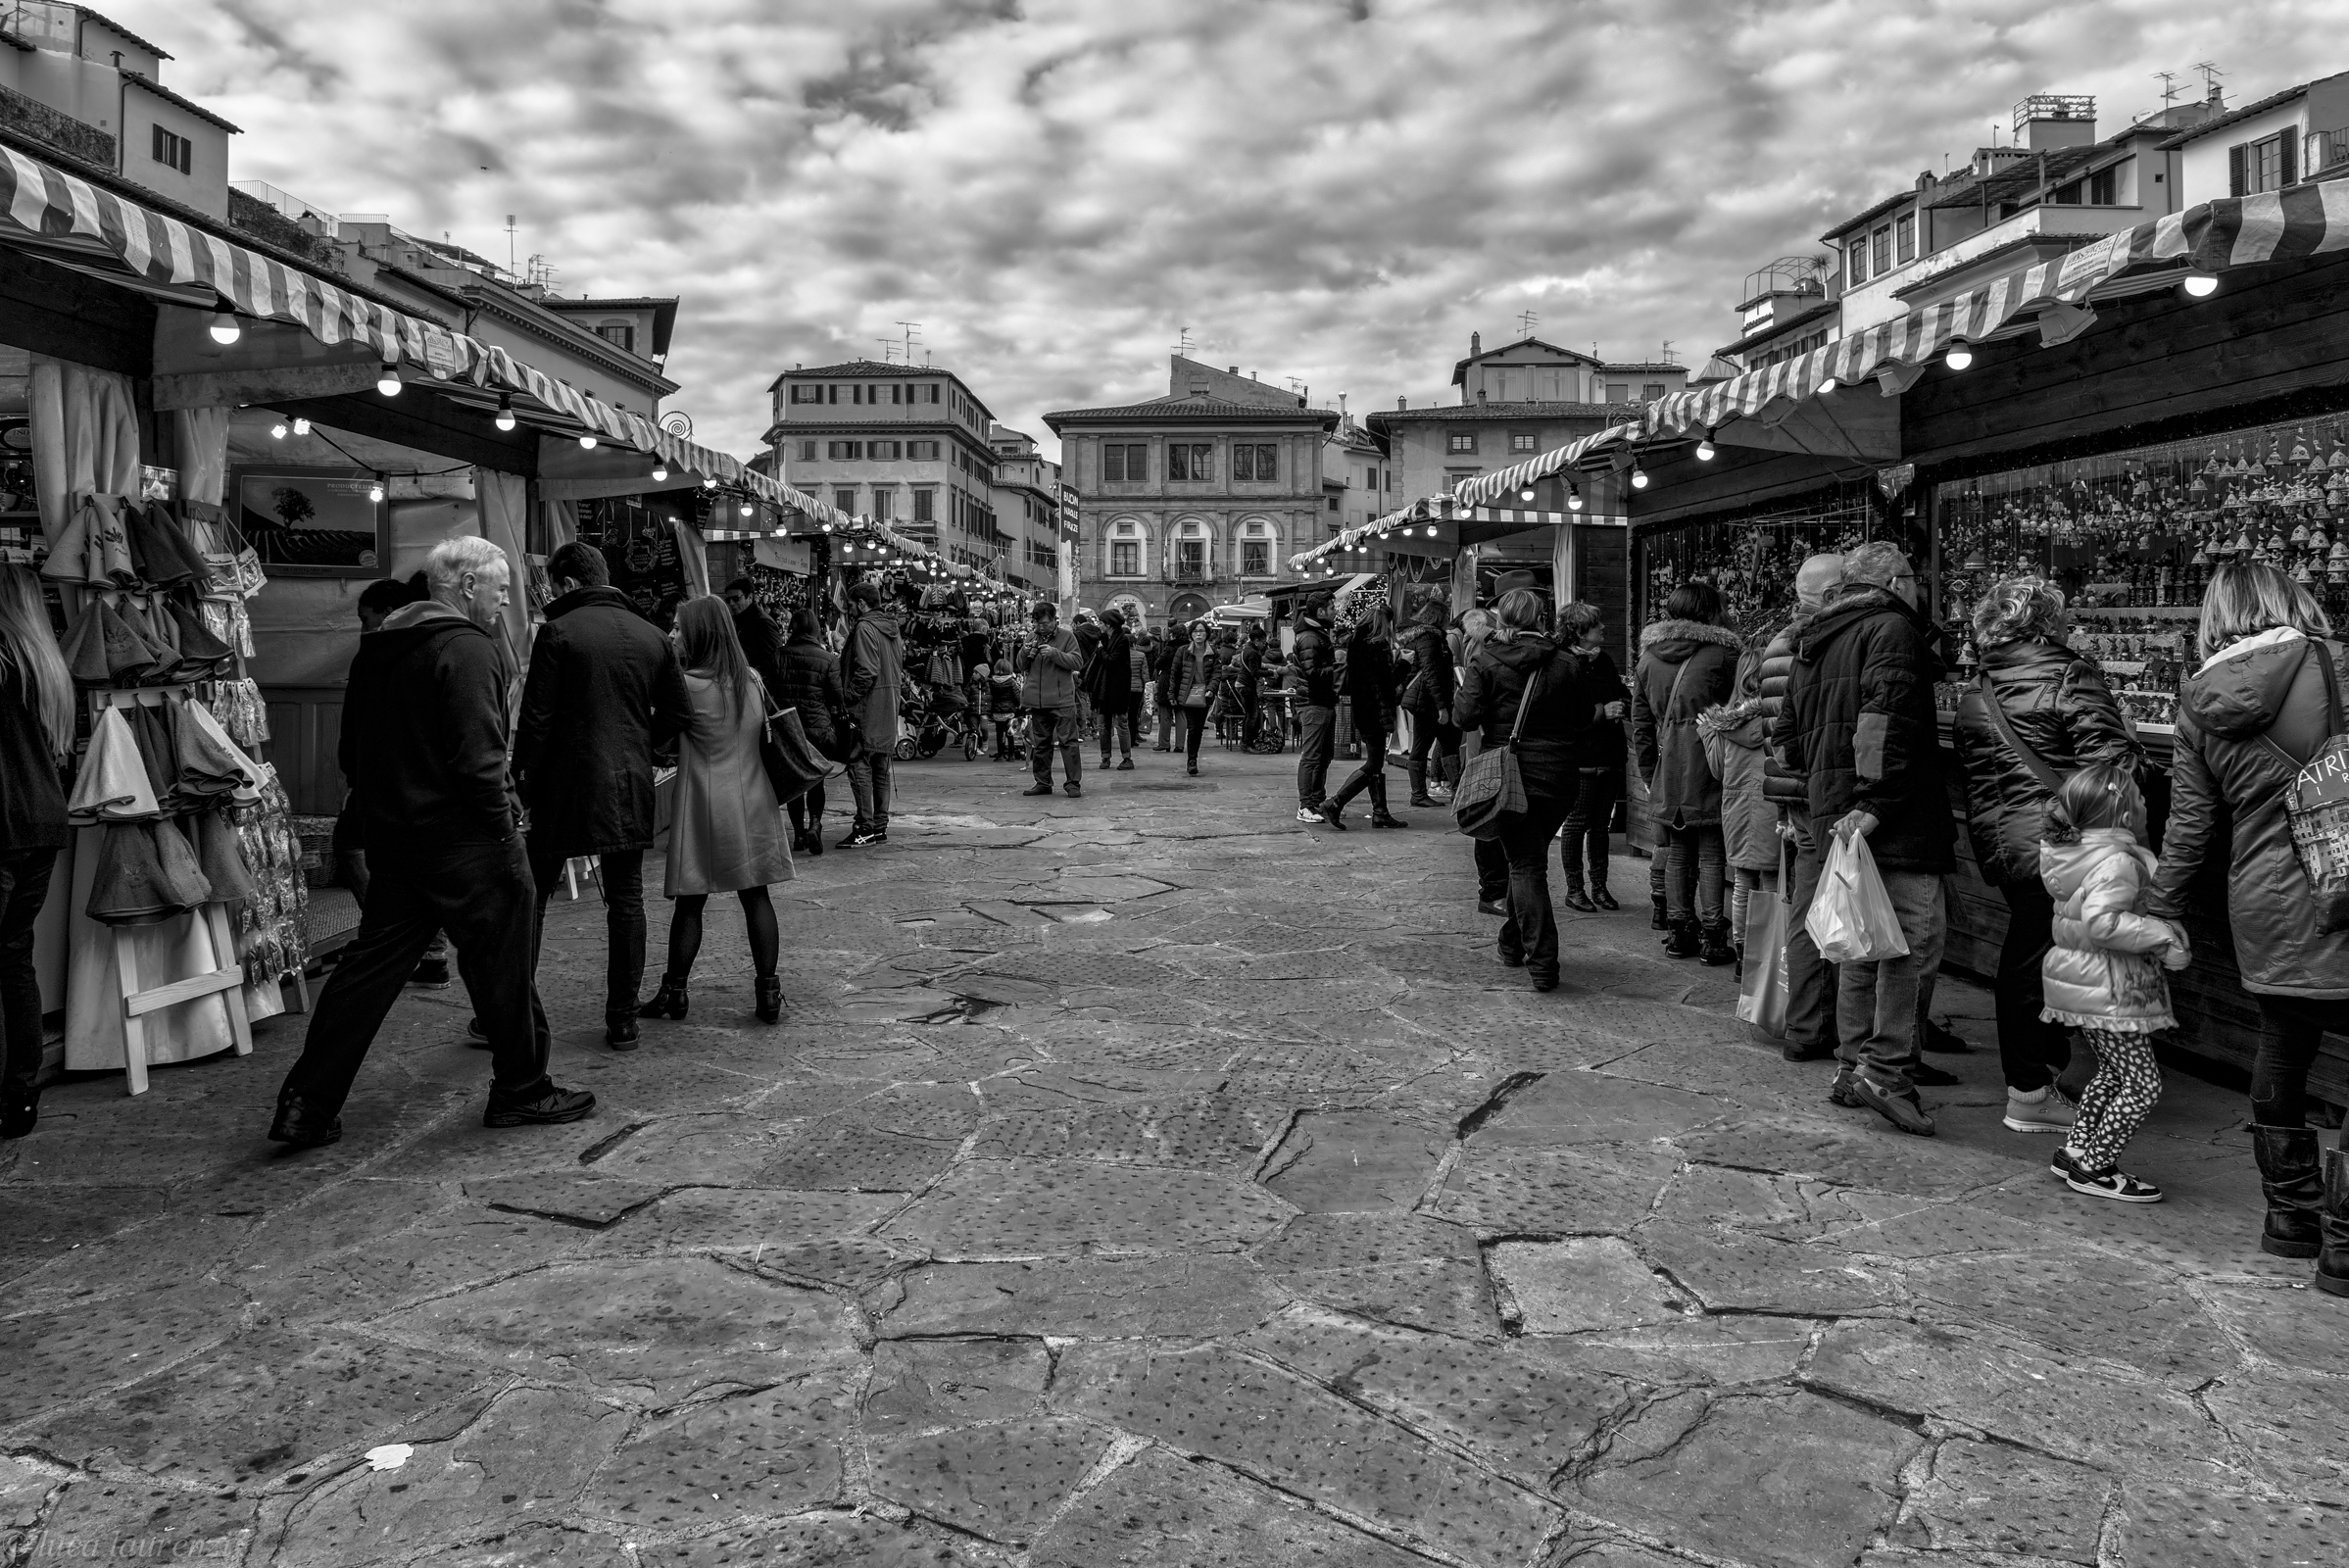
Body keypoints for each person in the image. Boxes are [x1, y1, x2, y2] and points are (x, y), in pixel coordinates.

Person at [271, 537, 594, 1147]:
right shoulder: (469, 649)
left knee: (368, 971)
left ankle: (304, 1105)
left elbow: (351, 753)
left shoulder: (377, 649)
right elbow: (480, 761)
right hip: (468, 840)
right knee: (504, 965)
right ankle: (523, 1089)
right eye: (500, 588)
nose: (506, 601)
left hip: (397, 839)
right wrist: (504, 829)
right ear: (467, 586)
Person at [2149, 562, 2349, 1281]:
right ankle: (2345, 1245)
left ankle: (2290, 1215)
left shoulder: (2198, 702)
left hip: (2264, 901)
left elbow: (2188, 828)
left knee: (2283, 1044)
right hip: (2342, 890)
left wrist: (2161, 908)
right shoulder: (2336, 666)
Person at [1775, 542, 1955, 1138]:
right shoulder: (1890, 629)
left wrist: (1832, 791)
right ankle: (1885, 1072)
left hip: (1834, 809)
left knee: (1862, 941)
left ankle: (1852, 1067)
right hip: (1888, 814)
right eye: (1915, 578)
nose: (1919, 588)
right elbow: (1887, 719)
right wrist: (1874, 802)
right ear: (1897, 582)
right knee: (1910, 944)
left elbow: (1787, 740)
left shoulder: (1814, 638)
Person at [1952, 574, 2140, 1136]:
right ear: (2046, 621)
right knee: (2034, 963)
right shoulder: (2067, 673)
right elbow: (2110, 767)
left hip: (2007, 842)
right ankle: (2029, 1093)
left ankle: (2041, 1079)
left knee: (2036, 955)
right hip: (2061, 844)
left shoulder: (1979, 686)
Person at [514, 540, 694, 1051]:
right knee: (626, 899)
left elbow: (536, 722)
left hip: (562, 784)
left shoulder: (558, 632)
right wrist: (642, 745)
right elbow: (679, 713)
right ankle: (623, 1019)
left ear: (570, 584)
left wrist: (521, 786)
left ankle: (513, 1012)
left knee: (533, 897)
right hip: (629, 781)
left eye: (554, 588)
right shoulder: (651, 634)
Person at [2035, 762, 2187, 1202]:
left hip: (2085, 983)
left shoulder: (2077, 854)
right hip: (2109, 987)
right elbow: (2103, 924)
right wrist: (2162, 935)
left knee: (2112, 1072)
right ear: (2123, 814)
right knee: (2142, 1086)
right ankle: (2095, 1167)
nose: (2146, 803)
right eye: (2139, 798)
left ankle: (2075, 1150)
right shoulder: (2118, 861)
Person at [639, 597, 792, 1026]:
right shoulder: (752, 680)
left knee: (690, 902)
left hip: (704, 802)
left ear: (699, 635)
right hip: (753, 800)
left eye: (678, 628)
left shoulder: (686, 686)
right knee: (756, 896)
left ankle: (675, 992)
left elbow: (654, 738)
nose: (672, 634)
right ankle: (768, 994)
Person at [1453, 589, 1594, 992]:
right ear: (1540, 618)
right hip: (1559, 775)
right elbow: (1584, 717)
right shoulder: (1566, 662)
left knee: (1526, 865)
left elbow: (1465, 717)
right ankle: (1511, 942)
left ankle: (1543, 960)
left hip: (1510, 776)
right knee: (1528, 858)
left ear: (1501, 619)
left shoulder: (1486, 660)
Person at [332, 577, 454, 990]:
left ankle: (395, 941)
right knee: (413, 862)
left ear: (387, 614)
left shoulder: (376, 655)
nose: (363, 628)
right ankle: (429, 952)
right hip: (426, 782)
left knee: (352, 846)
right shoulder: (444, 647)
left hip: (380, 777)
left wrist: (354, 776)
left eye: (366, 619)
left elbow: (355, 725)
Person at [1758, 553, 1845, 1061]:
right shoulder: (1818, 643)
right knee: (1833, 908)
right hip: (1820, 791)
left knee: (1808, 904)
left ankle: (1805, 1023)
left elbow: (1775, 729)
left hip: (1794, 790)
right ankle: (1826, 1024)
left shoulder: (1778, 644)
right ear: (1832, 592)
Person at [1632, 580, 1740, 963]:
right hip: (1710, 762)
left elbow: (1641, 724)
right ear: (1710, 612)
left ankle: (1679, 934)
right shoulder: (1724, 655)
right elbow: (1742, 710)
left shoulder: (1648, 658)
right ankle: (1714, 938)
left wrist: (1650, 774)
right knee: (1711, 853)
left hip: (1668, 767)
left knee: (1677, 852)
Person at [0, 567, 71, 1139]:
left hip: (3, 825)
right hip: (43, 822)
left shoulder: (3, 662)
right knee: (13, 958)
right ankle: (21, 1096)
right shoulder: (46, 666)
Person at [1699, 651, 1778, 963]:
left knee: (1743, 879)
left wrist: (1709, 733)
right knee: (1771, 880)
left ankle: (1744, 956)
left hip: (1736, 806)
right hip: (1770, 805)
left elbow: (1718, 770)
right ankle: (1767, 957)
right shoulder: (1776, 718)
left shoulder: (1725, 721)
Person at [1556, 601, 1628, 912]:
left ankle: (1600, 886)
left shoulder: (1604, 660)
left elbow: (1619, 691)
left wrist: (1623, 702)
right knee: (1575, 824)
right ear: (1581, 631)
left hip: (1609, 755)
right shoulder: (1562, 662)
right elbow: (1563, 713)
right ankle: (1575, 889)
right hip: (1581, 759)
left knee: (1600, 827)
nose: (1602, 628)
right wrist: (1601, 712)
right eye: (1596, 624)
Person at [1320, 606, 1406, 828]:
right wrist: (1404, 664)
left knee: (1376, 763)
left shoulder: (1356, 643)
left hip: (1363, 709)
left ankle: (1380, 812)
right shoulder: (1377, 645)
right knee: (1374, 762)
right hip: (1376, 711)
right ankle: (1336, 802)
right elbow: (1387, 682)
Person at [776, 607, 845, 856]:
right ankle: (815, 824)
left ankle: (798, 834)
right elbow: (837, 698)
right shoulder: (828, 659)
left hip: (789, 730)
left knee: (796, 782)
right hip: (819, 730)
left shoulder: (778, 656)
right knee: (816, 782)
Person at [839, 579, 903, 847]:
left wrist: (848, 696)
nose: (849, 610)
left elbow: (866, 670)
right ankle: (879, 826)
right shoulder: (891, 628)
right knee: (880, 768)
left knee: (860, 765)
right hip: (888, 703)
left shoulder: (865, 627)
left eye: (851, 605)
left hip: (868, 707)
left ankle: (864, 827)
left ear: (862, 604)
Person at [1398, 596, 1459, 809]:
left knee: (1448, 742)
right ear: (1439, 617)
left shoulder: (1424, 637)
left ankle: (1455, 790)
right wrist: (1442, 706)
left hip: (1427, 699)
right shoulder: (1430, 639)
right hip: (1428, 701)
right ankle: (1419, 794)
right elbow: (1432, 673)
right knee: (1424, 746)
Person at [1019, 601, 1085, 798]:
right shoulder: (1031, 637)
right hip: (1038, 701)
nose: (1041, 627)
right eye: (1037, 623)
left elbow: (1077, 662)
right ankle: (1042, 782)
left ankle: (1073, 783)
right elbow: (1022, 666)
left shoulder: (1067, 637)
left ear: (1054, 620)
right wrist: (1024, 652)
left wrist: (1055, 653)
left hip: (1062, 700)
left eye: (1045, 624)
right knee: (1040, 744)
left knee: (1069, 743)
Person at [1291, 596, 1339, 823]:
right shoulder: (1310, 637)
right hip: (1313, 702)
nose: (1335, 611)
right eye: (1332, 607)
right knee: (1311, 756)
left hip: (1323, 701)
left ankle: (1317, 800)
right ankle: (1305, 805)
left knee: (1324, 755)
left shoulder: (1318, 633)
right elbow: (1312, 673)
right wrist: (1338, 668)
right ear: (1320, 612)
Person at [1164, 618, 1221, 777]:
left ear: (1207, 633)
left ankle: (1193, 756)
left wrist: (1211, 689)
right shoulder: (1183, 651)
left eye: (1201, 631)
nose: (1198, 634)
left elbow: (1217, 673)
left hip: (1205, 695)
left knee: (1198, 729)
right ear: (1191, 634)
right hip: (1188, 694)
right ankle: (1192, 760)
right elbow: (1175, 674)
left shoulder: (1213, 652)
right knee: (1193, 728)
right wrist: (1171, 694)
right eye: (1196, 631)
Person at [1088, 607, 1138, 770]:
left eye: (1101, 623)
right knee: (1103, 725)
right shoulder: (1102, 639)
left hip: (1118, 688)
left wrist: (1101, 650)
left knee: (1121, 723)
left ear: (1109, 625)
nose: (1099, 625)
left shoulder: (1121, 641)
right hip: (1103, 689)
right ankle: (1105, 756)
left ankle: (1127, 758)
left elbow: (1111, 661)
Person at [722, 576, 786, 697]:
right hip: (743, 685)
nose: (731, 603)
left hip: (757, 688)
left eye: (736, 599)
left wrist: (761, 686)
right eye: (728, 599)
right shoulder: (737, 621)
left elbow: (775, 659)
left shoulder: (762, 622)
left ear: (750, 597)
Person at [1150, 626, 1179, 751]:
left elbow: (1158, 663)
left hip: (1166, 680)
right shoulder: (1189, 647)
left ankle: (1164, 742)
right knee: (1181, 715)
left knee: (1165, 714)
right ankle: (1180, 744)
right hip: (1183, 681)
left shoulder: (1169, 648)